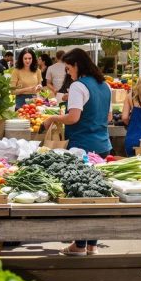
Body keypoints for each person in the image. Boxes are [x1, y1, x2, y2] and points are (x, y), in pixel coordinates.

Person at [42, 48, 112, 256]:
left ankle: (79, 245)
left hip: (82, 144)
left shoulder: (78, 86)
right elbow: (108, 118)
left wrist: (53, 118)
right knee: (97, 195)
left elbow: (73, 118)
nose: (68, 73)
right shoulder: (105, 85)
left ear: (77, 65)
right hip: (102, 144)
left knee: (81, 195)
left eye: (69, 68)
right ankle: (92, 244)